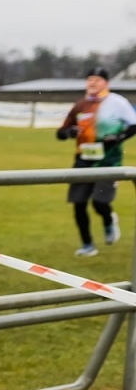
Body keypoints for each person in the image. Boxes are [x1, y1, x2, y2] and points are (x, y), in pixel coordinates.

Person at [57, 66, 136, 257]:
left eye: (97, 79)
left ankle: (109, 220)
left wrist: (118, 137)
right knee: (78, 203)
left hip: (109, 161)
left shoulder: (117, 102)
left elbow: (134, 125)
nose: (92, 82)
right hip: (82, 160)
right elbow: (61, 133)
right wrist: (70, 132)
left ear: (106, 83)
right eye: (90, 79)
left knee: (100, 202)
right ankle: (87, 245)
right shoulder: (81, 105)